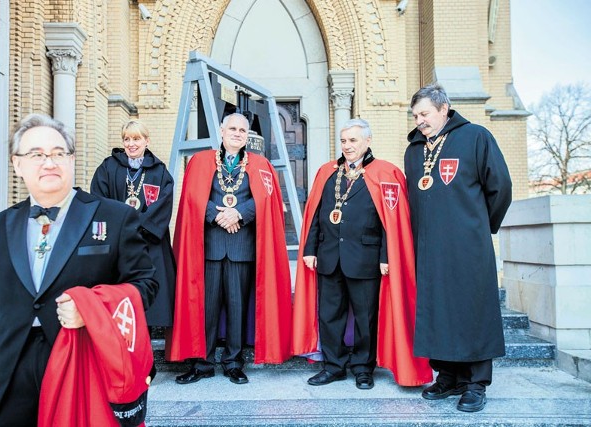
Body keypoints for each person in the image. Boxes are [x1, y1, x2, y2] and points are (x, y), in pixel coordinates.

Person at [0, 114, 158, 426]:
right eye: (36, 154)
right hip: (9, 371)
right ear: (17, 164)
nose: (48, 162)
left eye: (57, 153)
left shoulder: (116, 217)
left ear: (71, 159)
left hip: (83, 365)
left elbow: (145, 284)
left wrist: (93, 309)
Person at [292, 118, 432, 389]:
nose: (347, 146)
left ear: (368, 141)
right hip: (329, 256)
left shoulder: (385, 173)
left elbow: (389, 222)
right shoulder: (327, 172)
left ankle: (363, 368)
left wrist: (385, 256)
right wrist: (310, 249)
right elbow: (316, 214)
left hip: (366, 259)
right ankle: (333, 367)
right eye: (344, 141)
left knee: (366, 319)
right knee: (330, 316)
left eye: (353, 140)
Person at [405, 83, 512, 412]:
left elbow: (501, 187)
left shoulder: (475, 137)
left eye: (424, 114)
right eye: (415, 115)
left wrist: (479, 227)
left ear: (443, 109)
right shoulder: (414, 150)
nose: (420, 120)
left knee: (472, 310)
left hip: (468, 245)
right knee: (438, 310)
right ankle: (448, 376)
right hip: (428, 248)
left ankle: (476, 383)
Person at [168, 113, 292, 385]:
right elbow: (192, 197)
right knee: (207, 308)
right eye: (232, 128)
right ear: (221, 131)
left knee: (237, 307)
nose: (237, 133)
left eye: (242, 130)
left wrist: (240, 215)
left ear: (247, 135)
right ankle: (202, 364)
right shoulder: (201, 161)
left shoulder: (261, 165)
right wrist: (217, 214)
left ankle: (234, 362)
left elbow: (268, 200)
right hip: (210, 247)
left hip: (242, 247)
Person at [90, 120, 176, 328]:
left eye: (136, 139)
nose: (131, 144)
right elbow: (99, 200)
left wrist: (137, 228)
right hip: (118, 243)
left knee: (149, 303)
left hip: (149, 241)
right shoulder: (108, 167)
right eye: (127, 139)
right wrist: (122, 229)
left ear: (147, 141)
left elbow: (163, 204)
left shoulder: (159, 171)